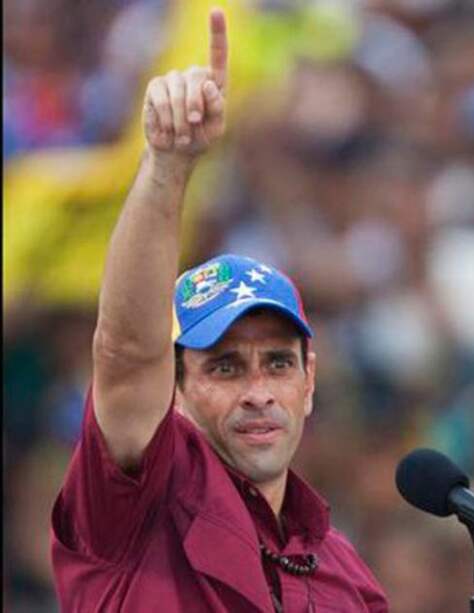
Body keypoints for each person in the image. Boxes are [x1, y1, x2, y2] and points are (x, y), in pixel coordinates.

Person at [50, 9, 388, 612]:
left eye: (278, 364)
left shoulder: (347, 575)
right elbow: (126, 354)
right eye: (225, 367)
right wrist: (167, 165)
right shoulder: (132, 510)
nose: (259, 391)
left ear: (310, 382)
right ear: (173, 392)